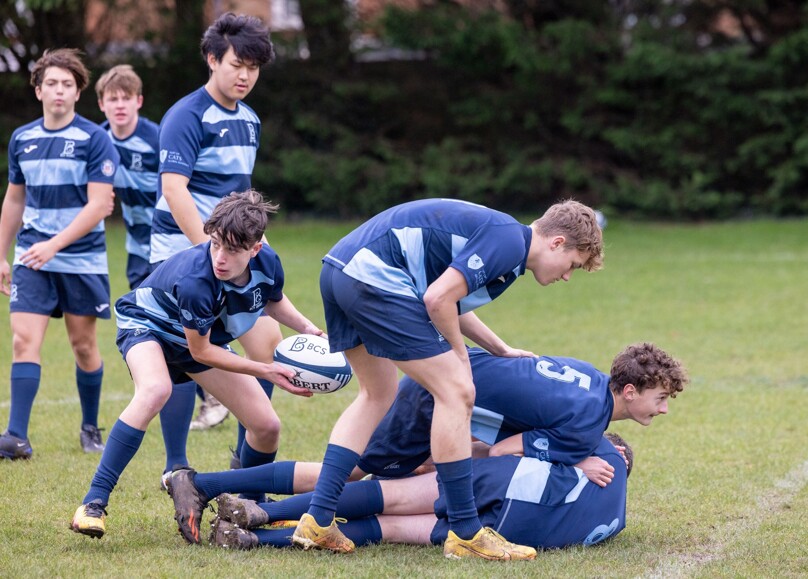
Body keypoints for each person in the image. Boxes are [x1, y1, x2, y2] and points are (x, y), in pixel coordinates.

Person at [295, 197, 606, 560]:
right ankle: (466, 532)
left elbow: (450, 300)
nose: (567, 276)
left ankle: (318, 520)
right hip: (373, 276)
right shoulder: (508, 241)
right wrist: (459, 357)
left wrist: (500, 348)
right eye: (572, 265)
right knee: (457, 392)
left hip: (341, 269)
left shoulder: (508, 245)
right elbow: (437, 299)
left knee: (376, 395)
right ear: (557, 243)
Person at [164, 342, 686, 544]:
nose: (662, 410)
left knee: (376, 480)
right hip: (434, 401)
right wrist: (581, 458)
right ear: (630, 391)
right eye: (660, 398)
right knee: (348, 473)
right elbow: (500, 452)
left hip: (447, 383)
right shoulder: (587, 426)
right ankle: (204, 484)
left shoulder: (589, 379)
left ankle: (249, 507)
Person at [70, 190, 324, 541]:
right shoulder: (197, 281)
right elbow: (202, 352)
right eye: (215, 244)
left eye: (232, 250)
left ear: (255, 249)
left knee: (266, 425)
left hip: (194, 337)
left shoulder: (268, 262)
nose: (220, 257)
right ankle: (93, 502)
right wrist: (266, 370)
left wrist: (309, 329)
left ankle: (250, 506)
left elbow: (272, 300)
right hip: (148, 325)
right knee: (155, 389)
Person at [150, 13, 276, 478]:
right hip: (182, 253)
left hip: (231, 255)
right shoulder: (187, 115)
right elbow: (174, 189)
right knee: (183, 354)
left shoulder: (250, 119)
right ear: (212, 59)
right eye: (236, 65)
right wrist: (210, 251)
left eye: (253, 68)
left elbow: (242, 195)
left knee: (267, 345)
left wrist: (254, 245)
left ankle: (246, 464)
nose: (245, 76)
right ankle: (176, 467)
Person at [209, 433, 633, 555]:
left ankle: (260, 513)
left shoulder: (583, 439)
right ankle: (253, 537)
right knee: (388, 526)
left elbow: (497, 450)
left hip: (498, 480)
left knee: (379, 491)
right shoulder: (612, 513)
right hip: (510, 526)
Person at [0, 48, 117, 459]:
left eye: (67, 84)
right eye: (51, 83)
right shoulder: (22, 139)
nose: (59, 91)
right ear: (38, 90)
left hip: (80, 259)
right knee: (23, 340)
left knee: (83, 345)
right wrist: (1, 254)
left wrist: (55, 244)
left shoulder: (95, 139)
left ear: (78, 92)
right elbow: (15, 199)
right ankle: (16, 436)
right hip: (33, 258)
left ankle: (90, 427)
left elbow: (100, 205)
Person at [95, 64, 158, 290]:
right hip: (137, 243)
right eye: (113, 99)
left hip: (168, 237)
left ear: (138, 101)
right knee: (139, 306)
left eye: (126, 98)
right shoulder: (98, 141)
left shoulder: (157, 139)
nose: (120, 105)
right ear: (102, 104)